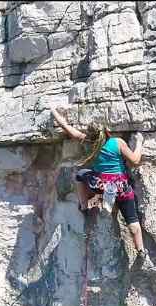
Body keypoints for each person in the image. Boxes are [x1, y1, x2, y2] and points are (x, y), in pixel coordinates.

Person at [50, 106, 146, 256]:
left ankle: (86, 204)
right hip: (122, 187)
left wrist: (54, 113)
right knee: (132, 220)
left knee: (80, 174)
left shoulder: (88, 141)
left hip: (100, 184)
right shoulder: (117, 142)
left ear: (91, 135)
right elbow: (134, 160)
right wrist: (139, 142)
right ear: (107, 131)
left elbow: (69, 129)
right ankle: (140, 250)